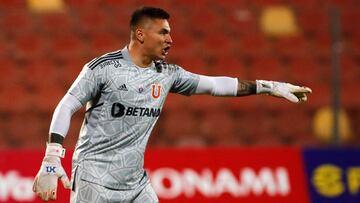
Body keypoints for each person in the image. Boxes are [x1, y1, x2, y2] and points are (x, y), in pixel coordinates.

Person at [32, 6, 311, 203]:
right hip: (94, 181)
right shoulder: (103, 68)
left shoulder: (168, 74)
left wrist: (268, 86)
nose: (170, 39)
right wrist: (52, 157)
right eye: (163, 33)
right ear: (141, 35)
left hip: (136, 185)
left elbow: (216, 85)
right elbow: (66, 105)